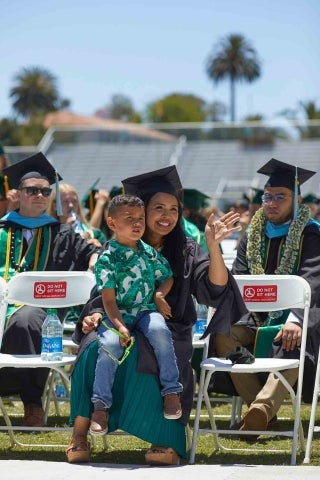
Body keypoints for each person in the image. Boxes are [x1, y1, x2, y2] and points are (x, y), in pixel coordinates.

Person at [66, 165, 242, 465]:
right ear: (140, 210)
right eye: (158, 207)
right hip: (118, 320)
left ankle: (165, 437)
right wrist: (93, 315)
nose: (167, 215)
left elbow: (214, 288)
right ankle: (80, 433)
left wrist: (213, 248)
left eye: (174, 209)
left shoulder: (185, 248)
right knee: (94, 347)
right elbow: (103, 294)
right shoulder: (119, 246)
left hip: (168, 327)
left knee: (154, 350)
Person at [213, 158, 320, 438]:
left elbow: (312, 279)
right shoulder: (253, 235)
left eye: (280, 198)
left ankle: (262, 407)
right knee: (222, 335)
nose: (271, 203)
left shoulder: (311, 233)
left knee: (292, 338)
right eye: (267, 197)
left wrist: (296, 318)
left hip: (299, 318)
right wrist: (242, 318)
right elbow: (239, 280)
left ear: (296, 201)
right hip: (255, 318)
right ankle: (259, 413)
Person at [0, 152, 100, 428]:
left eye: (45, 191)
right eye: (32, 190)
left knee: (28, 319)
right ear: (18, 194)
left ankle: (32, 401)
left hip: (39, 312)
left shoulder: (62, 233)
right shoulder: (0, 230)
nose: (40, 195)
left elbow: (91, 250)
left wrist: (93, 257)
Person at [90, 193, 182, 436]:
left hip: (145, 311)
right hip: (117, 314)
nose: (137, 223)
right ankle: (100, 406)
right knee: (109, 345)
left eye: (140, 218)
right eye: (129, 218)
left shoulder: (147, 251)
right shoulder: (107, 259)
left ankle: (171, 391)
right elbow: (108, 300)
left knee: (160, 331)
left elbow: (168, 276)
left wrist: (159, 296)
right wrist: (120, 327)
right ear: (112, 223)